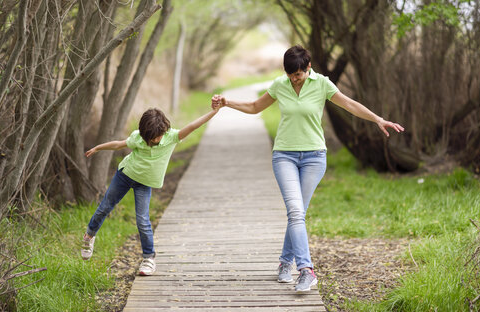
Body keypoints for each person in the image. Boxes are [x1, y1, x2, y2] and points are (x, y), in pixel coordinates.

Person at [212, 45, 404, 292]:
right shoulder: (280, 85)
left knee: (297, 213)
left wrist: (378, 119)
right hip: (284, 156)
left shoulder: (322, 84)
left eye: (299, 74)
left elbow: (350, 105)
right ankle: (306, 270)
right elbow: (254, 107)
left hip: (314, 157)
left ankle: (284, 263)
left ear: (308, 68)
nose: (294, 78)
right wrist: (227, 102)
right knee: (295, 211)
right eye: (290, 74)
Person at [81, 106, 220, 276]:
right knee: (105, 207)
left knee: (142, 220)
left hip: (144, 183)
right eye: (152, 137)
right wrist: (98, 148)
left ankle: (148, 258)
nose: (156, 140)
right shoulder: (138, 138)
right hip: (125, 175)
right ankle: (89, 236)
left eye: (158, 136)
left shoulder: (172, 137)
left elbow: (193, 126)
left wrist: (214, 112)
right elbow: (119, 145)